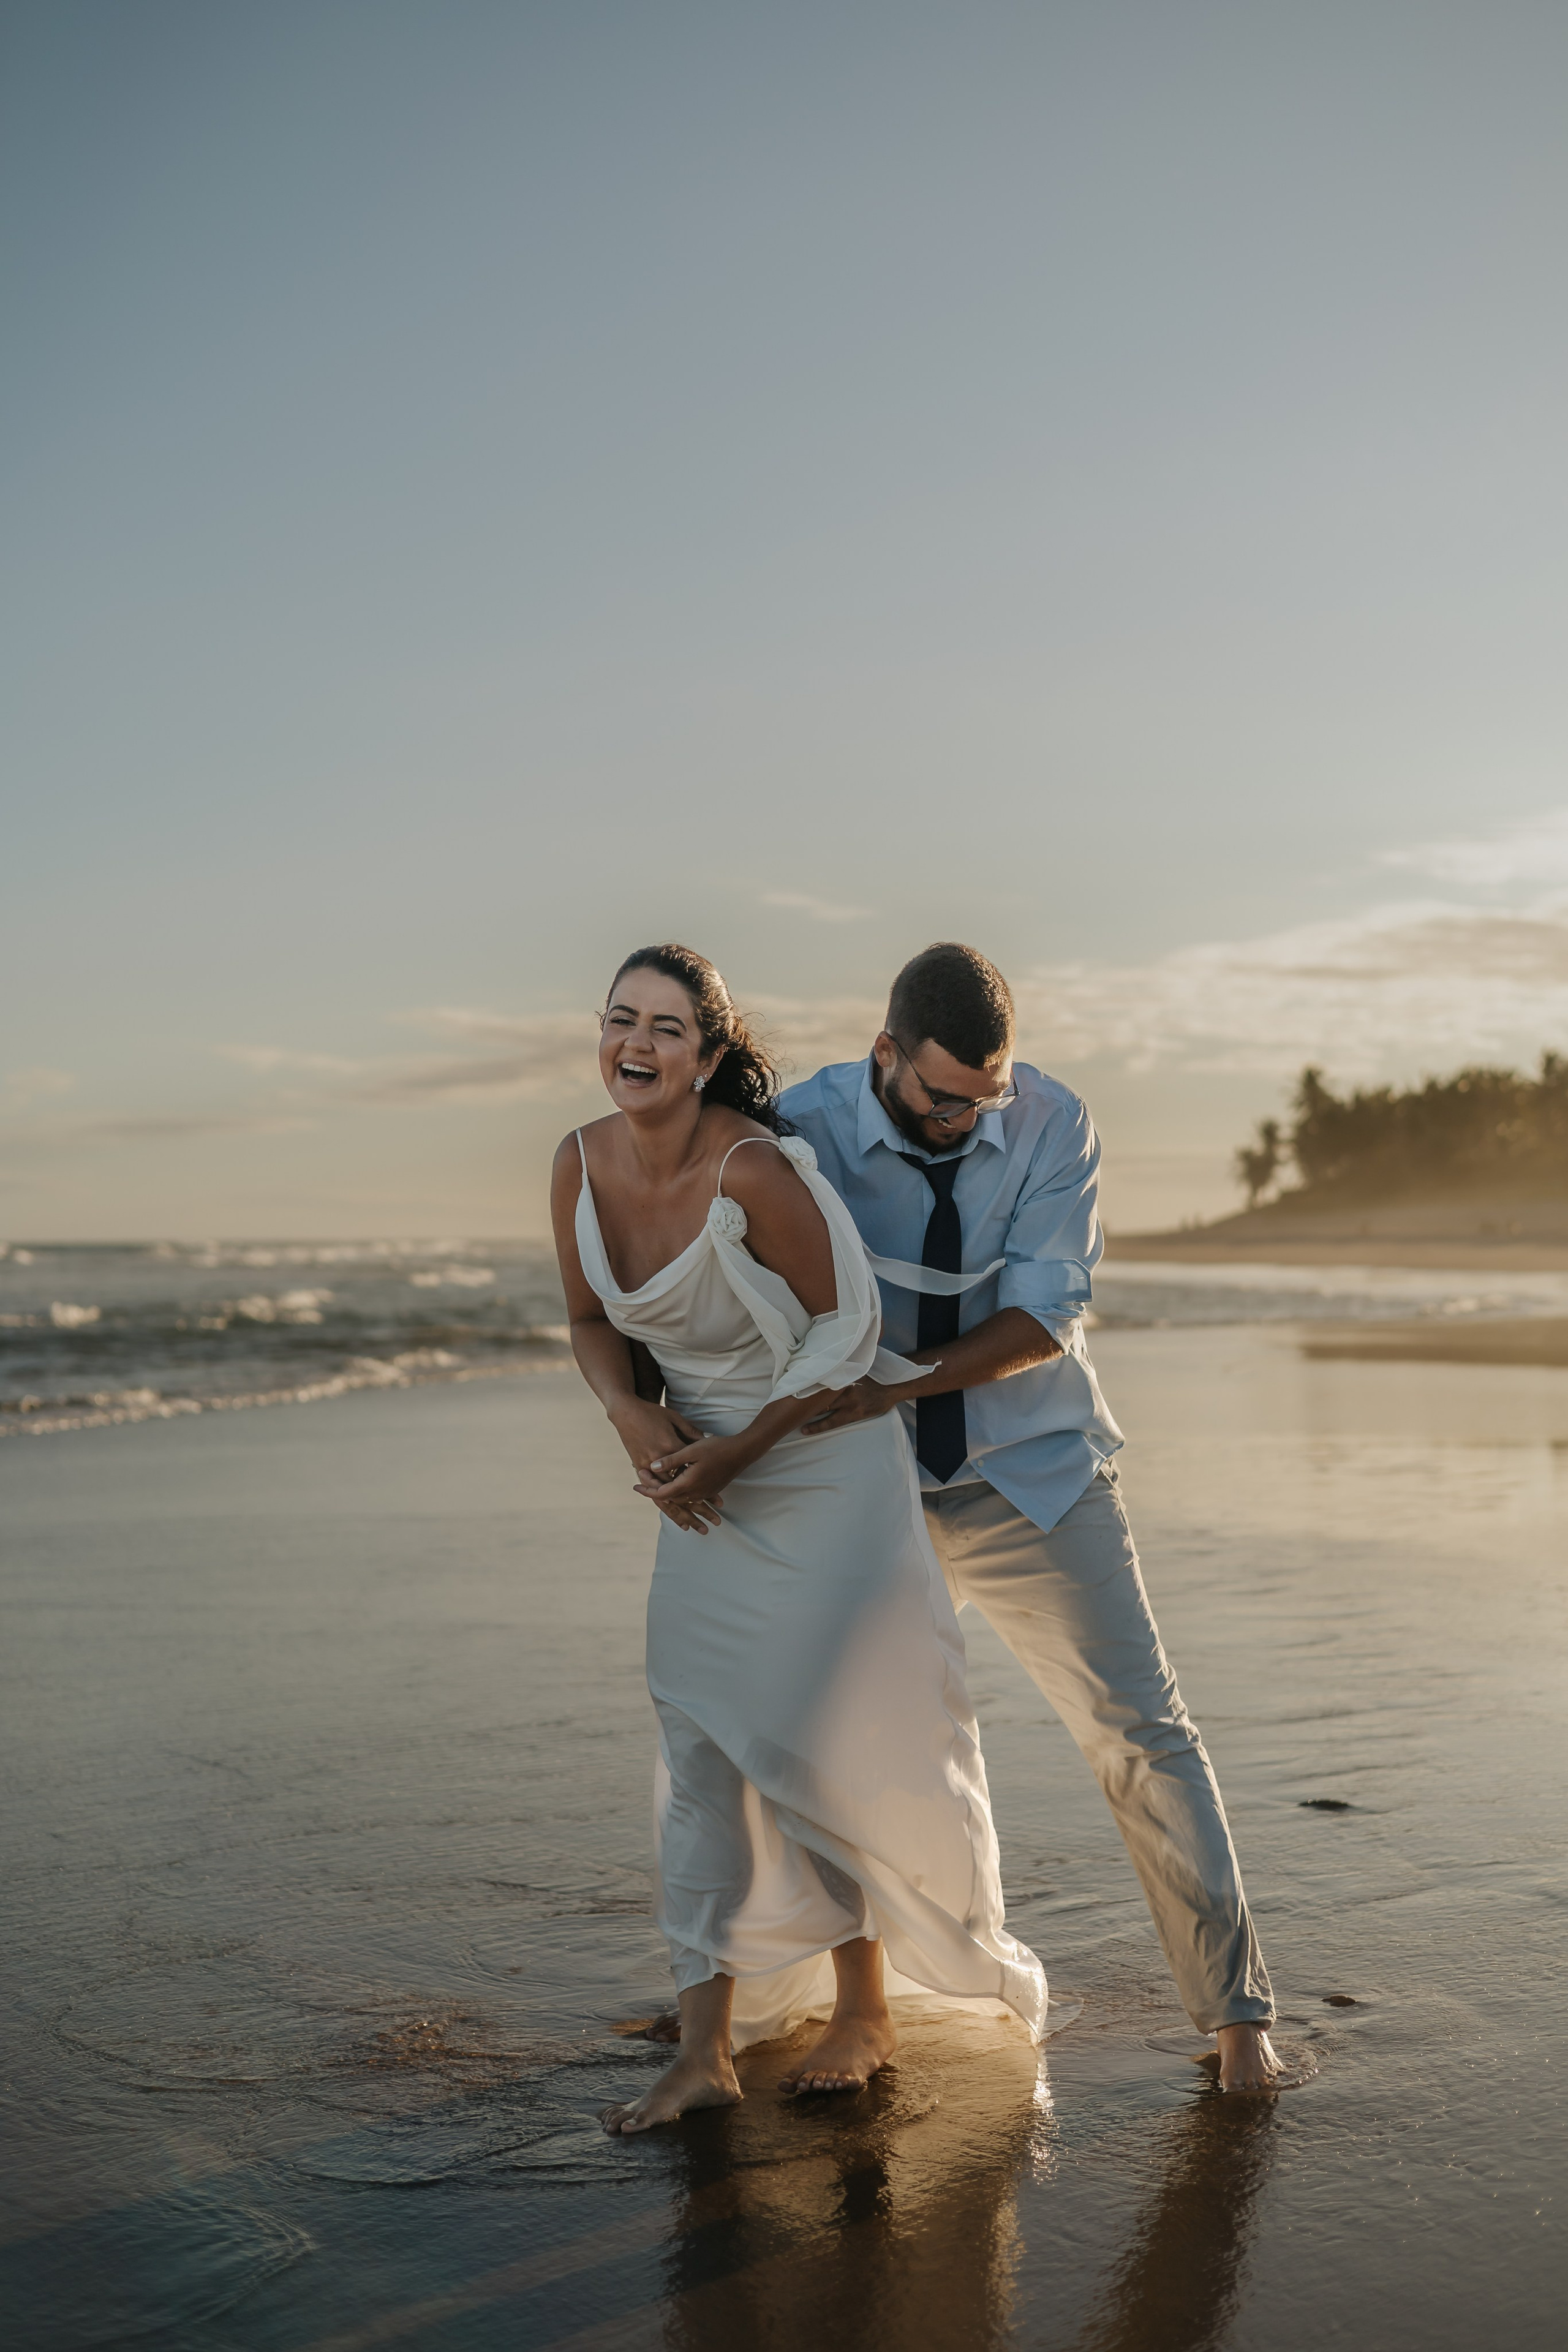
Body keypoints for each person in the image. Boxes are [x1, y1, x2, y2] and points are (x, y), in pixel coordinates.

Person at [550, 943, 1046, 2136]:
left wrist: (735, 1450)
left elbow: (845, 1333)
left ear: (710, 1055)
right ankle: (702, 2047)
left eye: (668, 1028)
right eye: (622, 1020)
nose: (639, 1043)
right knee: (700, 1747)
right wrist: (631, 1419)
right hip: (696, 1475)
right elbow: (584, 1320)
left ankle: (862, 2007)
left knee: (813, 1743)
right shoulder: (575, 1161)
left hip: (817, 1461)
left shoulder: (755, 1168)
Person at [778, 942, 1284, 2096]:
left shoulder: (1056, 1124)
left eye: (983, 1098)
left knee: (1141, 1730)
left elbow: (1046, 1316)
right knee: (827, 1738)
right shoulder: (799, 1125)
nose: (962, 1118)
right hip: (869, 1485)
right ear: (885, 1054)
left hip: (1037, 1468)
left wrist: (900, 1387)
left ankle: (1238, 2022)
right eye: (938, 1096)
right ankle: (828, 2006)